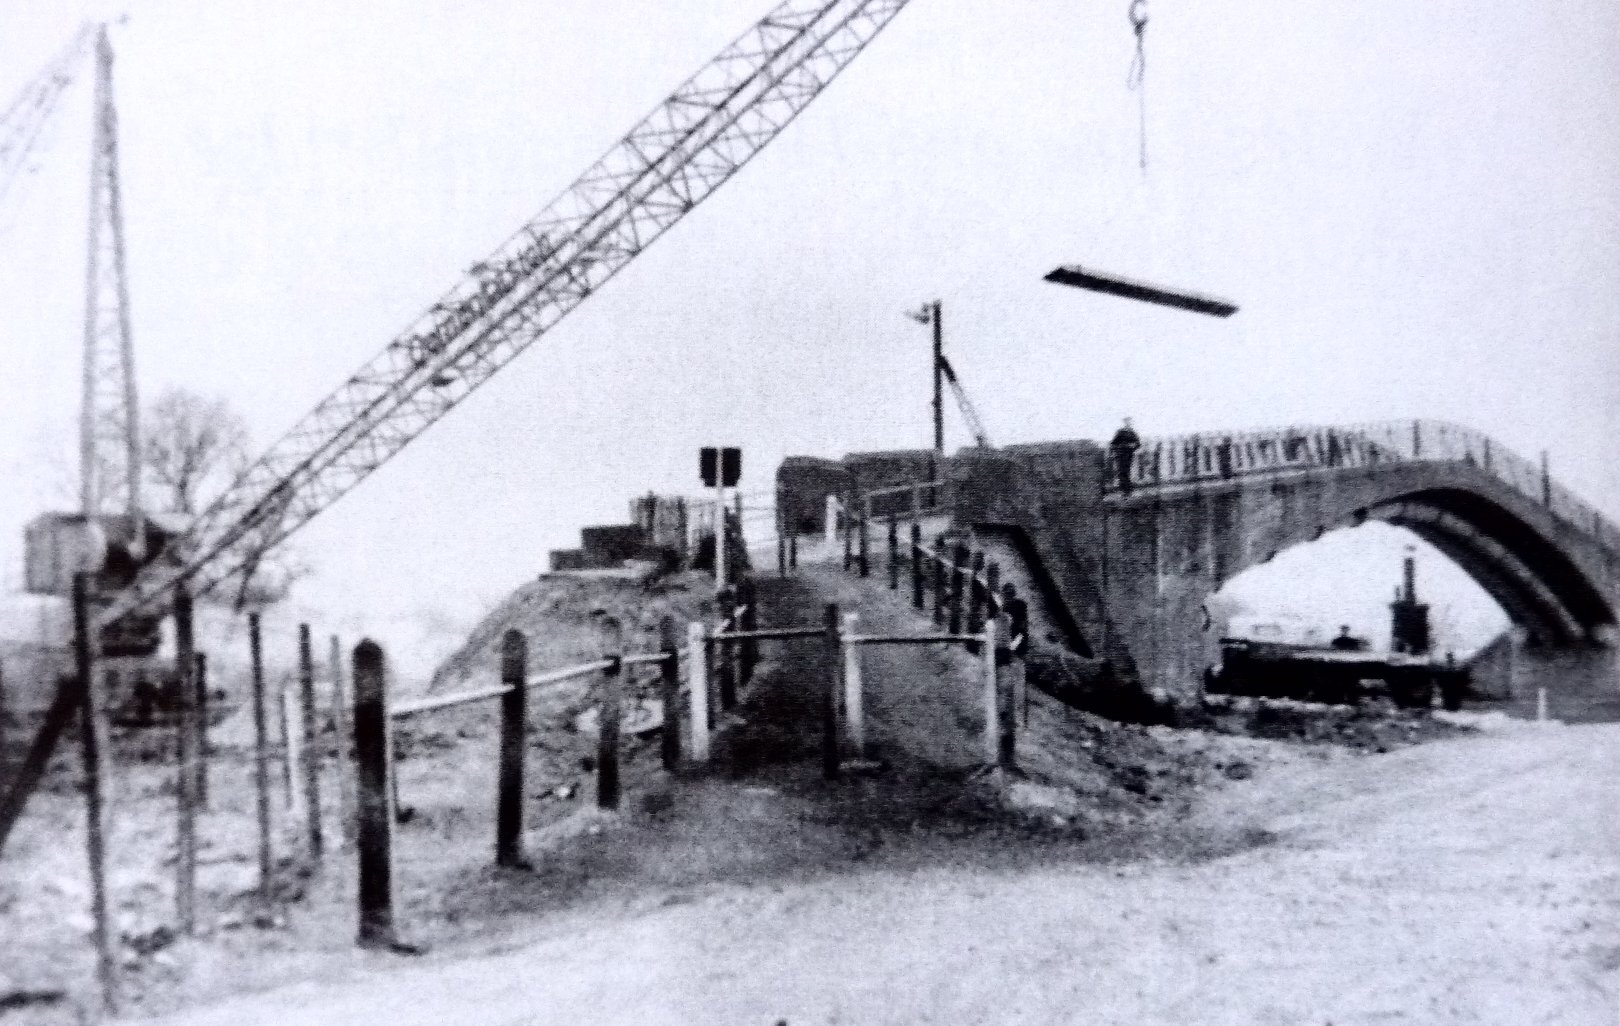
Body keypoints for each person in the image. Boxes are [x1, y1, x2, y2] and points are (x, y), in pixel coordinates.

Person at [1109, 418, 1141, 495]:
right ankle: (1124, 489)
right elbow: (1113, 443)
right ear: (1124, 423)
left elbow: (1138, 444)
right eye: (1127, 422)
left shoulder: (1132, 433)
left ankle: (1127, 490)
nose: (1128, 424)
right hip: (1120, 454)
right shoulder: (1120, 432)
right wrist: (1112, 452)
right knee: (1121, 471)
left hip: (1129, 454)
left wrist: (1133, 445)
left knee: (1126, 471)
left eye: (1130, 422)